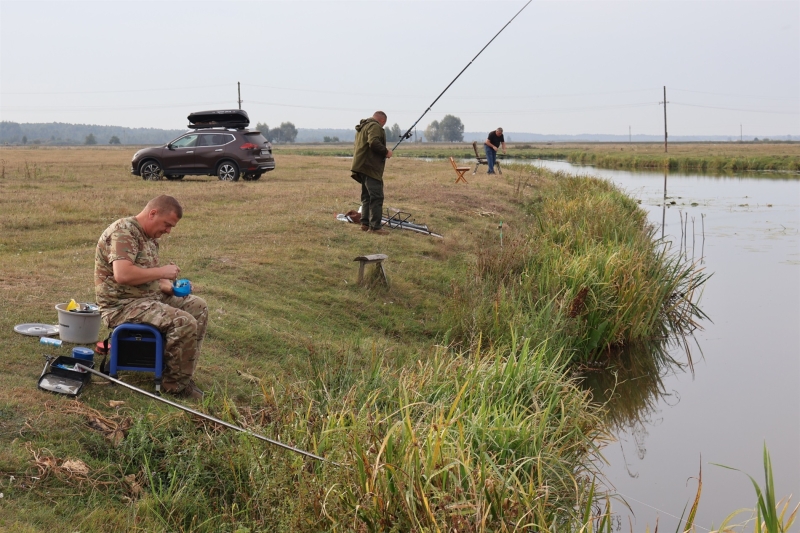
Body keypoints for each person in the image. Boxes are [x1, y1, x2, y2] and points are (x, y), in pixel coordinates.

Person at [94, 195, 208, 400]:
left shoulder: (150, 239)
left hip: (147, 299)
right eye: (167, 224)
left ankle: (182, 374)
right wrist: (163, 271)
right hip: (122, 305)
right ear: (152, 213)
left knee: (198, 307)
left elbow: (148, 278)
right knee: (183, 322)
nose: (168, 231)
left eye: (171, 227)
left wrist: (172, 288)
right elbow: (123, 275)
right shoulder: (123, 232)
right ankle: (175, 387)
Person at [350, 111, 393, 234]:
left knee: (366, 197)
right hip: (370, 167)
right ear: (383, 121)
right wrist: (386, 152)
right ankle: (375, 227)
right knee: (376, 196)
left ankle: (365, 223)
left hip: (362, 166)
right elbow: (373, 142)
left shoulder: (363, 126)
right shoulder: (374, 126)